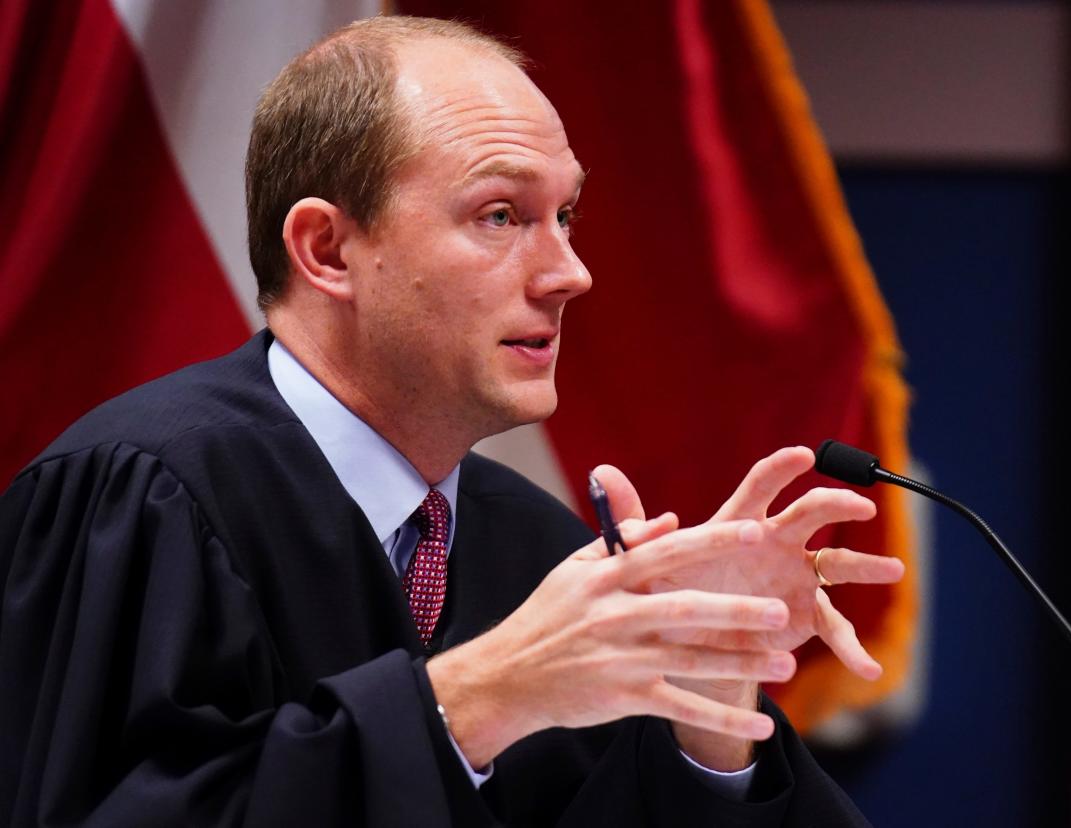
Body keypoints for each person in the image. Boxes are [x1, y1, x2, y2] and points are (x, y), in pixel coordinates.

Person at [0, 16, 903, 827]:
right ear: (327, 250)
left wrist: (708, 718)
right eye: (501, 214)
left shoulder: (546, 551)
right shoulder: (143, 494)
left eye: (567, 216)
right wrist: (478, 699)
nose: (568, 273)